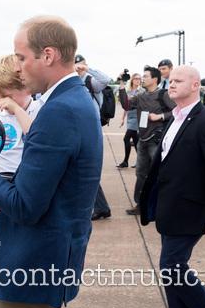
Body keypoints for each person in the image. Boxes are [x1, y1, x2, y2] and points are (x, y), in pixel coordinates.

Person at [0, 15, 102, 308]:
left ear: (48, 55)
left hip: (33, 265)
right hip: (48, 256)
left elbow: (25, 205)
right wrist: (0, 192)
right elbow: (46, 180)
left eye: (20, 57)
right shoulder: (73, 100)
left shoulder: (58, 111)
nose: (17, 67)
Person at [140, 65, 205, 308]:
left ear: (195, 86)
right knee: (171, 270)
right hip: (169, 209)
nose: (171, 84)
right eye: (170, 81)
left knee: (171, 268)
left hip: (192, 210)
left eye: (178, 81)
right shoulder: (174, 117)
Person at [0, 54, 45, 236]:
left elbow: (36, 138)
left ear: (26, 87)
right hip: (5, 184)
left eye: (6, 96)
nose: (1, 101)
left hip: (30, 186)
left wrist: (17, 110)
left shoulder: (42, 110)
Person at [118, 66, 176, 215]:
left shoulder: (163, 94)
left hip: (156, 140)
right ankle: (141, 204)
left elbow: (176, 111)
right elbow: (126, 105)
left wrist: (160, 116)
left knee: (160, 173)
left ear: (155, 79)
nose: (143, 79)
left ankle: (163, 204)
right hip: (142, 140)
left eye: (146, 76)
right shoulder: (141, 96)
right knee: (141, 173)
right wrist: (122, 85)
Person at [74, 54, 112, 221]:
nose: (77, 68)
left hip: (91, 129)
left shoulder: (90, 81)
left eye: (80, 64)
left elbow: (106, 80)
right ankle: (101, 207)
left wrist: (87, 69)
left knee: (87, 168)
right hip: (77, 127)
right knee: (80, 168)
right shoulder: (72, 82)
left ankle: (101, 207)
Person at [117, 73, 142, 168]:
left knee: (126, 138)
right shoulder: (129, 91)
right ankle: (140, 161)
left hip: (137, 117)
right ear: (132, 80)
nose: (137, 80)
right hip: (130, 117)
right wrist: (123, 118)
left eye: (139, 79)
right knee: (135, 140)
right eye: (136, 78)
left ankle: (125, 161)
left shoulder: (142, 91)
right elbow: (126, 106)